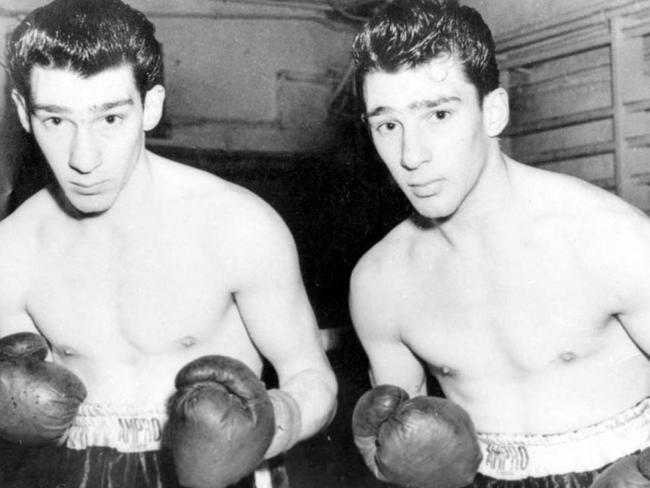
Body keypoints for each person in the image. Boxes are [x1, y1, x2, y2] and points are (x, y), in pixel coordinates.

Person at [0, 0, 337, 487]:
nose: (83, 157)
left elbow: (312, 376)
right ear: (23, 113)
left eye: (110, 118)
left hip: (226, 473)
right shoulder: (13, 249)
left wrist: (271, 426)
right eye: (56, 120)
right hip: (75, 472)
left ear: (150, 106)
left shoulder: (238, 225)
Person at [348, 1, 650, 487]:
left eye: (439, 114)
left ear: (493, 111)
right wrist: (393, 462)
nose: (412, 155)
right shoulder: (380, 282)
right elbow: (408, 448)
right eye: (388, 125)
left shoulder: (609, 238)